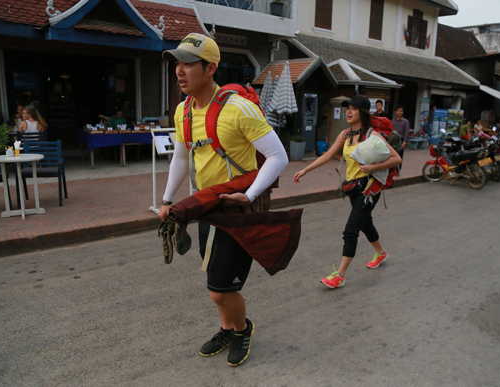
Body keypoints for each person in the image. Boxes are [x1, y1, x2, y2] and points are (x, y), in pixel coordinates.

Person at [158, 32, 288, 367]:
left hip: (236, 209)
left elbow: (278, 156)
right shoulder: (183, 112)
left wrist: (248, 194)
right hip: (207, 206)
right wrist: (167, 199)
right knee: (213, 279)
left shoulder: (238, 109)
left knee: (219, 288)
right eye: (177, 63)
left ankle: (242, 330)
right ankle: (226, 329)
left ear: (211, 67)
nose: (179, 70)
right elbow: (182, 158)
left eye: (188, 63)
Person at [293, 95, 401, 289]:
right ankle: (381, 253)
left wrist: (372, 168)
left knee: (351, 230)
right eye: (347, 108)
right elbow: (327, 155)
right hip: (353, 187)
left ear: (364, 113)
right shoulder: (345, 134)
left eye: (354, 109)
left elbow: (396, 158)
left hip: (369, 188)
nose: (348, 112)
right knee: (365, 223)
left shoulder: (372, 135)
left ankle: (340, 275)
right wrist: (305, 169)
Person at [391, 105, 409, 175]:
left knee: (399, 156)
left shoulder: (405, 122)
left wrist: (404, 142)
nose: (399, 112)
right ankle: (392, 170)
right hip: (393, 140)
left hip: (400, 140)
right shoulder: (392, 121)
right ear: (395, 112)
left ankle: (398, 171)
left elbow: (406, 133)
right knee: (392, 156)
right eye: (398, 111)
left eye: (401, 111)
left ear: (403, 112)